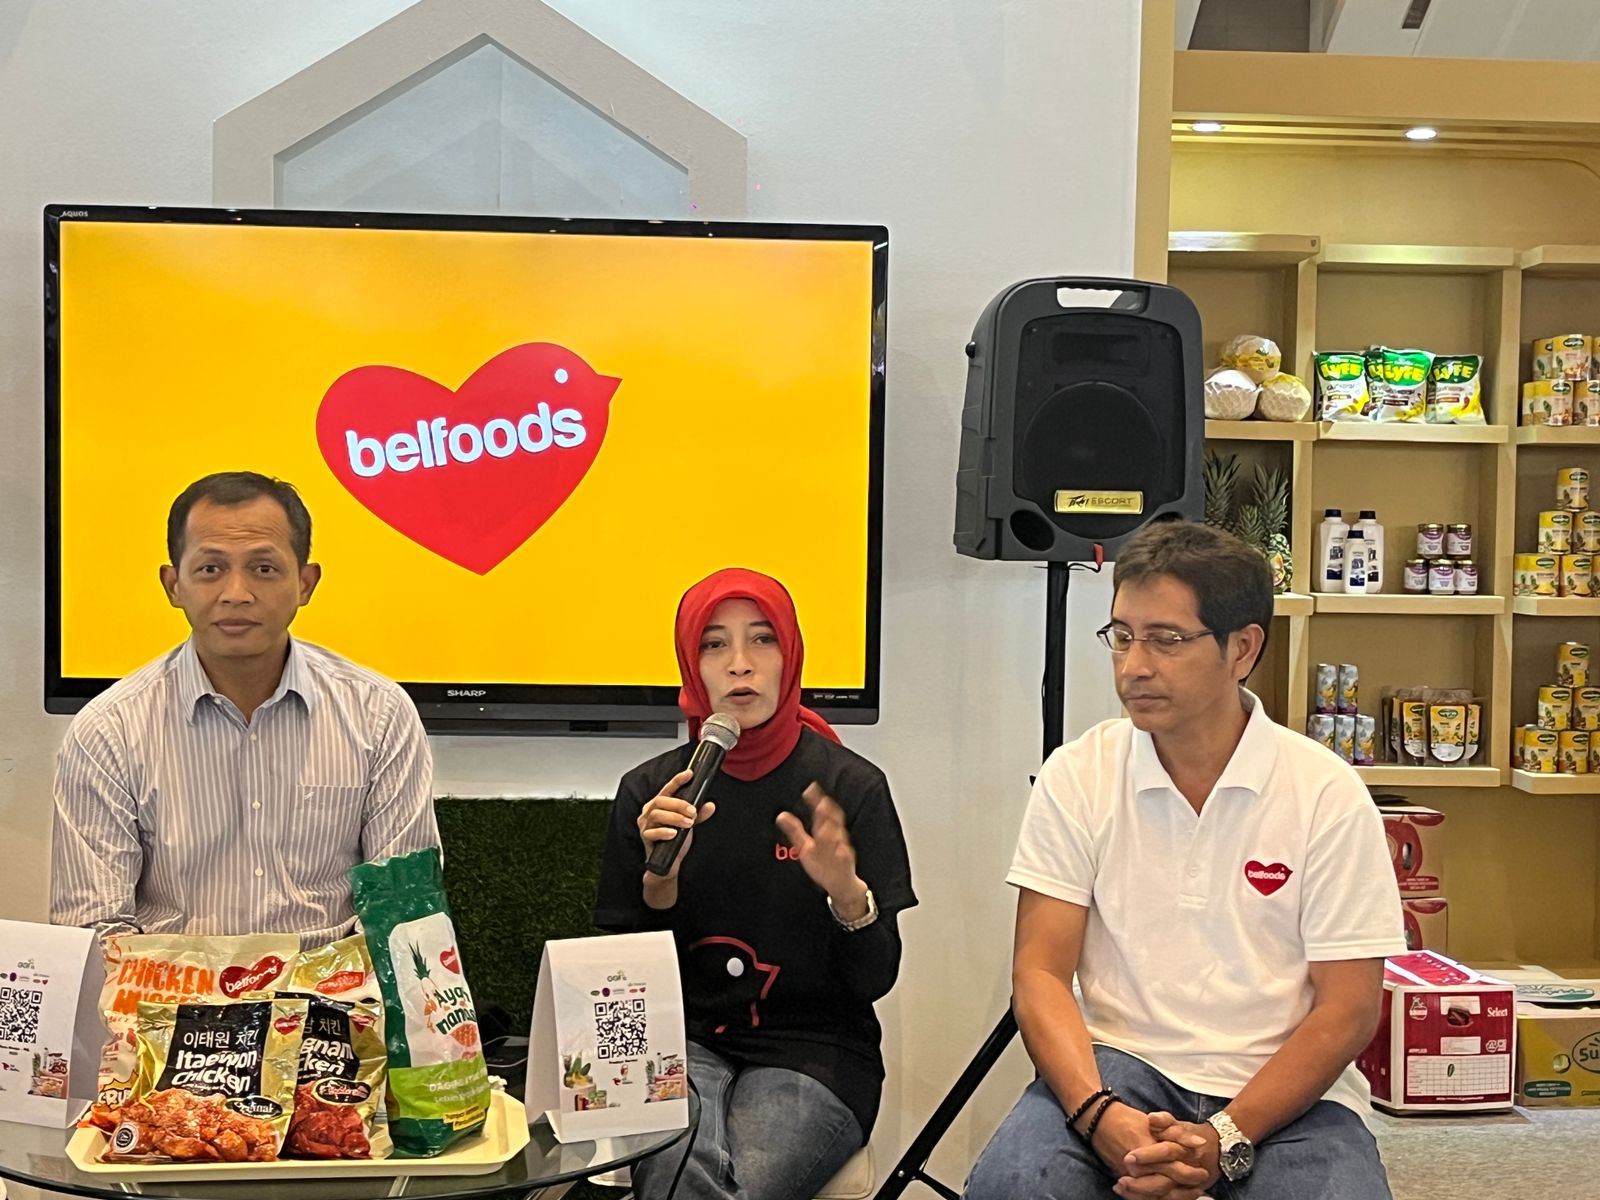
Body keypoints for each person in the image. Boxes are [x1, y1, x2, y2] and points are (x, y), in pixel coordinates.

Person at [965, 520, 1405, 1200]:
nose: (1133, 666)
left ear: (1242, 648)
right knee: (1012, 1186)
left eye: (1166, 640)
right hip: (1118, 1067)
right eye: (1122, 636)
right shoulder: (1079, 774)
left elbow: (1348, 1009)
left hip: (1288, 1085)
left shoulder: (1325, 792)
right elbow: (1040, 972)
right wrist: (1098, 1114)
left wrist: (1227, 1135)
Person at [595, 568, 916, 1200]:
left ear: (790, 654)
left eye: (762, 639)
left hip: (814, 1052)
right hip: (680, 1042)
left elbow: (874, 980)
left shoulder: (848, 787)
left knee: (735, 1186)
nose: (739, 663)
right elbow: (627, 978)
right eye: (714, 644)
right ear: (691, 666)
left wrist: (847, 896)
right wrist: (662, 881)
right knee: (676, 1170)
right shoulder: (654, 793)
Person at [51, 471, 439, 945]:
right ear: (173, 585)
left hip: (334, 987)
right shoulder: (108, 731)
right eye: (210, 569)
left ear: (305, 583)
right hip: (170, 989)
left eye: (263, 568)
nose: (236, 593)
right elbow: (96, 931)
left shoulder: (380, 715)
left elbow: (402, 914)